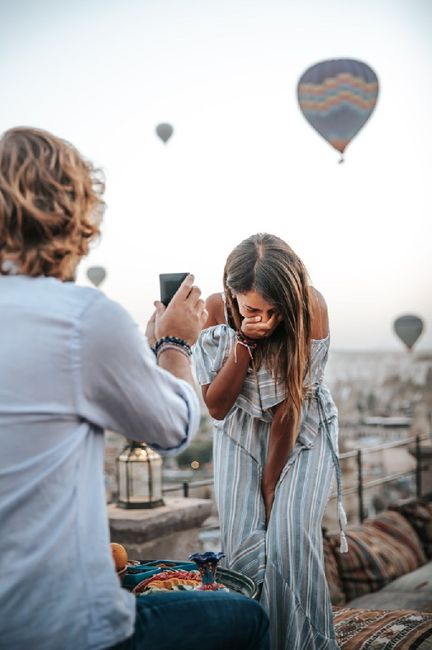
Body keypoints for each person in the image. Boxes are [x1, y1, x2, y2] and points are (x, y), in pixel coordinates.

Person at [0, 127, 270, 650]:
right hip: (63, 626)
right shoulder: (80, 320)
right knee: (246, 618)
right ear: (72, 214)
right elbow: (172, 428)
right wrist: (175, 344)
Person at [193, 233, 348, 650]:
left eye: (274, 310)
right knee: (243, 545)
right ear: (230, 293)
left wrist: (270, 482)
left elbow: (290, 407)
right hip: (238, 429)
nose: (266, 318)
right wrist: (245, 341)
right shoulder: (211, 312)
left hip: (300, 428)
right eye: (252, 309)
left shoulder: (309, 308)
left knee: (291, 537)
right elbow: (217, 406)